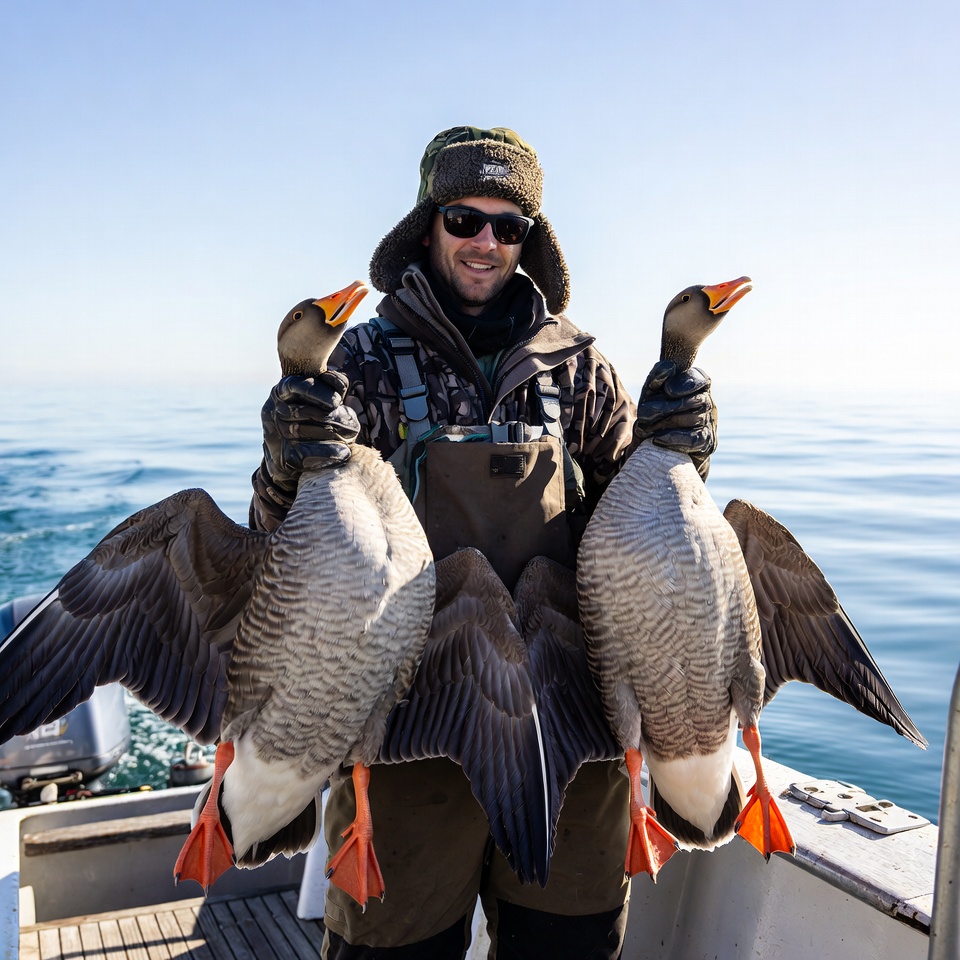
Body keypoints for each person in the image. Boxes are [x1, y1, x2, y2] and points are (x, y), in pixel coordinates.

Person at [249, 126, 717, 960]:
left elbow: (645, 539)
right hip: (409, 739)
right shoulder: (356, 368)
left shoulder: (583, 370)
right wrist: (285, 466)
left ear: (529, 240)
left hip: (569, 738)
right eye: (465, 219)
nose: (485, 242)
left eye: (508, 226)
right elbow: (283, 551)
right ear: (427, 225)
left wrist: (684, 452)